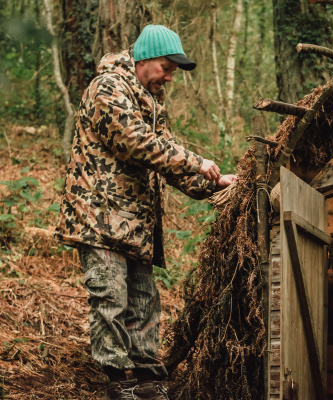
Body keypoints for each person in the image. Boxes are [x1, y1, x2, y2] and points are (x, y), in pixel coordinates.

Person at [55, 25, 236, 400]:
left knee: (143, 301)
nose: (170, 77)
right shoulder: (107, 88)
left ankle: (146, 376)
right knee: (111, 297)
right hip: (99, 216)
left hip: (135, 224)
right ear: (145, 59)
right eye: (167, 67)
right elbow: (137, 143)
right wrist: (196, 160)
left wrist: (213, 184)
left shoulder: (151, 100)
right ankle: (119, 380)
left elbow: (167, 159)